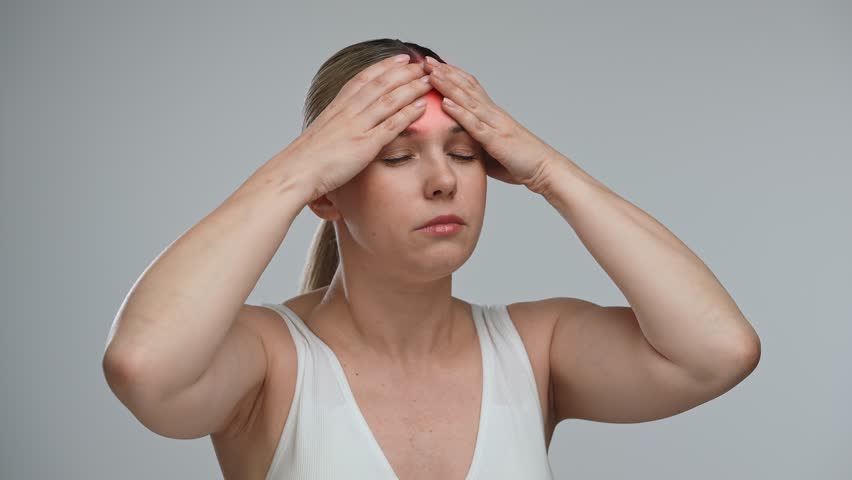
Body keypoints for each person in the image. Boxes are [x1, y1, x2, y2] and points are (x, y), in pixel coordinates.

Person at [102, 38, 761, 480]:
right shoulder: (270, 359)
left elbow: (719, 350)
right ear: (328, 192)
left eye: (466, 152)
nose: (443, 180)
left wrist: (550, 171)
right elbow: (144, 368)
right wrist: (294, 174)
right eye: (395, 155)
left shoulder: (537, 348)